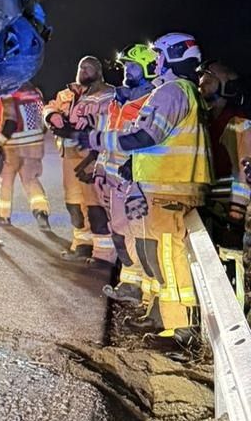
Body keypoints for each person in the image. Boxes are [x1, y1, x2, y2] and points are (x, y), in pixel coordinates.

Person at [73, 33, 211, 344]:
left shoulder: (173, 91)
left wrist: (97, 140)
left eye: (160, 56)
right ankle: (159, 316)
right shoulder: (182, 91)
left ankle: (181, 330)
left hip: (167, 187)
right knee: (153, 253)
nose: (157, 63)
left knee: (165, 256)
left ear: (173, 57)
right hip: (161, 187)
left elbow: (146, 136)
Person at [97, 44, 157, 305]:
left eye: (133, 67)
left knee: (140, 234)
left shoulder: (153, 99)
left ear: (147, 69)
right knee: (120, 232)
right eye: (126, 66)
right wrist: (100, 167)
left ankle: (145, 290)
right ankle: (130, 283)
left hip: (137, 181)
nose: (127, 71)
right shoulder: (118, 99)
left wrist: (134, 168)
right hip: (113, 179)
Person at [44, 56, 118, 264]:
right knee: (74, 205)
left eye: (89, 68)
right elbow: (49, 106)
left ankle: (103, 254)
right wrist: (52, 117)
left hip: (94, 156)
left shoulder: (108, 94)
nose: (84, 70)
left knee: (96, 207)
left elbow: (110, 124)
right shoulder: (67, 93)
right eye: (81, 67)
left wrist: (82, 136)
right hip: (69, 157)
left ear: (99, 72)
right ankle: (82, 246)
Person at [198, 61, 250, 251]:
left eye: (207, 82)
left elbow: (243, 172)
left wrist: (236, 215)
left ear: (227, 87)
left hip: (228, 212)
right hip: (210, 208)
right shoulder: (206, 121)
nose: (200, 87)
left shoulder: (238, 122)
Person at [0, 83, 51, 228]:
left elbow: (10, 122)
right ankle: (41, 212)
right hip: (34, 144)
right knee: (31, 180)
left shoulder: (9, 92)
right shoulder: (36, 92)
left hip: (13, 146)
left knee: (4, 181)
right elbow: (42, 121)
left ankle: (3, 215)